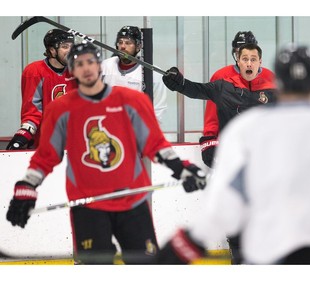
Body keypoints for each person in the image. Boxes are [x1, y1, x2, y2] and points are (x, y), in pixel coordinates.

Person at [157, 44, 310, 265]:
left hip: (269, 250)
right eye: (245, 59)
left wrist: (189, 241)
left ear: (277, 81)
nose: (249, 63)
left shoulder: (247, 128)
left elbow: (226, 204)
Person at [5, 42, 206, 265]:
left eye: (91, 61)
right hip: (88, 206)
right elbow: (46, 156)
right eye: (79, 64)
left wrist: (182, 168)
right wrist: (27, 187)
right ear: (72, 69)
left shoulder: (132, 101)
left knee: (147, 268)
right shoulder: (60, 109)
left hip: (132, 202)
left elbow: (155, 144)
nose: (86, 68)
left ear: (99, 65)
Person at [163, 43, 277, 264]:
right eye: (245, 59)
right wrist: (178, 83)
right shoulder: (223, 88)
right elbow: (195, 89)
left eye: (254, 59)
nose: (249, 63)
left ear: (260, 62)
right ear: (238, 61)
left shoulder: (273, 92)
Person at [200, 31, 275, 169]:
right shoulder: (221, 76)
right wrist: (209, 139)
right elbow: (212, 112)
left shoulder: (270, 77)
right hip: (231, 144)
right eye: (239, 53)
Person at [6, 29, 77, 150]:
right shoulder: (35, 71)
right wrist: (25, 132)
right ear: (52, 50)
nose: (70, 50)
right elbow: (32, 111)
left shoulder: (77, 70)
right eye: (65, 47)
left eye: (72, 46)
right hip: (46, 142)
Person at [101, 25, 167, 124]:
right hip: (108, 129)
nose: (123, 46)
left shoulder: (153, 73)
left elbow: (158, 109)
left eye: (128, 43)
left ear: (138, 46)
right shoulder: (104, 66)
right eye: (120, 42)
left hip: (136, 131)